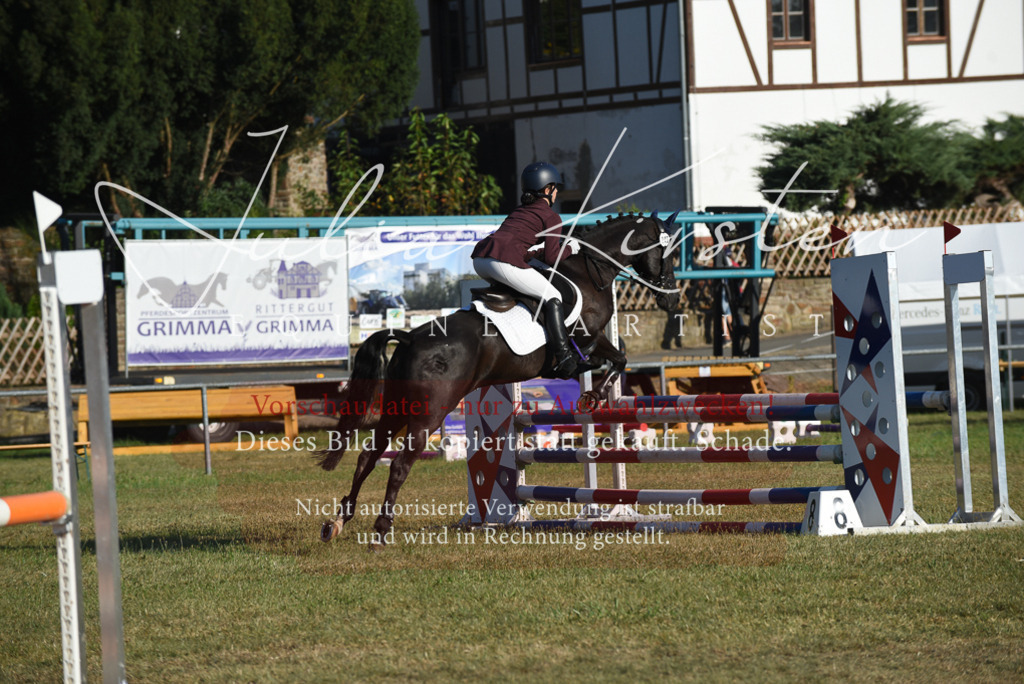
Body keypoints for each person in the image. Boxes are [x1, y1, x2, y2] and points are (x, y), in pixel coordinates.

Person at [472, 162, 580, 379]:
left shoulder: (519, 211)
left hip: (480, 261)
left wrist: (537, 253)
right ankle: (564, 358)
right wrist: (571, 248)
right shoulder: (551, 216)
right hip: (501, 261)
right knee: (553, 296)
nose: (556, 193)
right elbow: (552, 258)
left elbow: (521, 246)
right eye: (555, 188)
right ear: (547, 189)